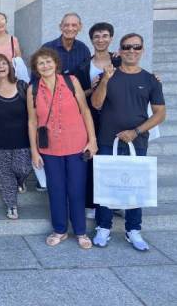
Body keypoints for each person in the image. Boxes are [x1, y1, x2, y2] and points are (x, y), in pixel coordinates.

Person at [91, 33, 166, 251]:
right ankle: (103, 227)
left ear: (142, 50)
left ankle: (133, 230)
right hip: (107, 140)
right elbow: (96, 104)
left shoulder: (150, 80)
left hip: (137, 140)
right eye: (127, 47)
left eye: (136, 47)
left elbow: (160, 114)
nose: (131, 50)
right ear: (120, 50)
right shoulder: (108, 75)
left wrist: (136, 131)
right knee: (105, 184)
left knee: (136, 187)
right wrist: (105, 79)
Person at [27, 47, 97, 249]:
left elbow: (85, 111)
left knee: (76, 190)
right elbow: (32, 122)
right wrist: (34, 150)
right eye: (41, 63)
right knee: (56, 190)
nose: (45, 65)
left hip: (76, 145)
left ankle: (81, 232)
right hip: (50, 149)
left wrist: (92, 140)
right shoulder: (32, 89)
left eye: (48, 61)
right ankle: (60, 230)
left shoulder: (71, 81)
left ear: (56, 63)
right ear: (36, 68)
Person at [75, 22, 121, 219]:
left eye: (104, 36)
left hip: (116, 117)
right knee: (93, 160)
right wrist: (93, 87)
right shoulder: (84, 65)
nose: (101, 40)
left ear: (111, 38)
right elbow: (77, 96)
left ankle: (116, 202)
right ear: (91, 40)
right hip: (93, 118)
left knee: (115, 160)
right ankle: (92, 203)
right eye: (97, 37)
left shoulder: (120, 62)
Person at [0, 54, 33, 219]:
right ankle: (11, 205)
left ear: (10, 67)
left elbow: (33, 112)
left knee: (22, 168)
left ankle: (20, 180)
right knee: (5, 174)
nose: (1, 66)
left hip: (22, 139)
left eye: (4, 63)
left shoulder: (22, 86)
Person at [42, 12, 91, 76]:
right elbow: (36, 76)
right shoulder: (47, 48)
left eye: (74, 25)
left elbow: (86, 75)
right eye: (66, 25)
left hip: (77, 86)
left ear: (80, 27)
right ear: (60, 27)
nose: (70, 29)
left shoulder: (84, 49)